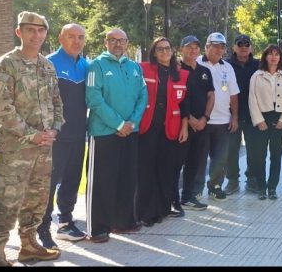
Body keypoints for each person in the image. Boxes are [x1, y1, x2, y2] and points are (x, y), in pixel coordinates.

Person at [0, 11, 63, 266]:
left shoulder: (47, 66)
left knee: (37, 197)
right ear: (19, 32)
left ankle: (28, 244)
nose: (36, 35)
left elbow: (56, 102)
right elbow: (2, 107)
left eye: (41, 31)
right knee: (7, 199)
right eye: (30, 30)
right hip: (16, 148)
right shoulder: (5, 64)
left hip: (44, 147)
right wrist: (32, 134)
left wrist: (54, 129)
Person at [85, 28, 148, 243]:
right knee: (103, 181)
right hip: (104, 133)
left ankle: (123, 221)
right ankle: (98, 228)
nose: (118, 44)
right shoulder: (97, 66)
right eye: (113, 40)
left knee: (127, 179)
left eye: (121, 40)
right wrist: (119, 124)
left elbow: (143, 97)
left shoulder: (135, 67)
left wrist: (132, 123)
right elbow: (94, 100)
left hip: (131, 132)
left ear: (127, 42)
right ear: (106, 42)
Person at [37, 24, 89, 249]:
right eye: (71, 36)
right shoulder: (49, 63)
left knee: (72, 179)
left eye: (81, 37)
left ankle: (65, 221)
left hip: (79, 134)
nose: (76, 41)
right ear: (60, 38)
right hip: (55, 135)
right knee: (48, 183)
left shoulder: (86, 65)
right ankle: (42, 227)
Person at [137, 38, 189, 226]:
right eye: (160, 49)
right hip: (148, 127)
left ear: (172, 51)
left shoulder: (181, 74)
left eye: (167, 48)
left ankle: (163, 208)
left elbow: (184, 104)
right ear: (154, 52)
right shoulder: (143, 69)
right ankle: (146, 212)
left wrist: (184, 127)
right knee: (146, 170)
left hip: (171, 129)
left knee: (166, 169)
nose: (164, 52)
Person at [196, 32, 240, 202]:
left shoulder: (227, 68)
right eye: (214, 46)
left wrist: (234, 117)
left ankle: (215, 186)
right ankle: (196, 189)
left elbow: (234, 95)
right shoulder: (197, 63)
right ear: (207, 47)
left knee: (220, 157)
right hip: (202, 121)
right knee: (199, 157)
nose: (218, 50)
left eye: (221, 47)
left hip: (223, 120)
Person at [247, 44, 282, 200]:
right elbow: (252, 99)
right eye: (270, 54)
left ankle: (272, 187)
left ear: (280, 57)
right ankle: (261, 188)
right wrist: (259, 120)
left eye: (277, 54)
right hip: (262, 119)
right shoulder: (257, 76)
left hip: (279, 120)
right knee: (259, 156)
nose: (274, 57)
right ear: (265, 57)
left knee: (276, 155)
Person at [178, 35, 215, 211]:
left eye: (195, 47)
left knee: (195, 162)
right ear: (181, 49)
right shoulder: (176, 70)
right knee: (176, 163)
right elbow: (177, 98)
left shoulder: (204, 71)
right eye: (189, 47)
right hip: (181, 125)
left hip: (201, 125)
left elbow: (211, 96)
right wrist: (190, 119)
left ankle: (187, 197)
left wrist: (204, 118)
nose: (193, 50)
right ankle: (172, 199)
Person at [227, 34, 260, 194]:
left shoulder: (259, 65)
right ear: (234, 47)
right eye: (240, 44)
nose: (243, 47)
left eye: (247, 44)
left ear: (251, 47)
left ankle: (252, 178)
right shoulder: (225, 65)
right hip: (232, 114)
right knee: (231, 149)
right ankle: (232, 180)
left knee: (254, 148)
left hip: (253, 113)